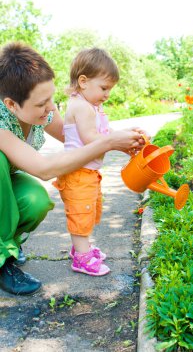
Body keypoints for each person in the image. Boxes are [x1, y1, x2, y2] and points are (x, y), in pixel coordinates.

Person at [0, 42, 144, 295]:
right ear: (12, 105)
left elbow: (75, 139)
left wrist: (122, 140)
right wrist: (109, 141)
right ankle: (2, 259)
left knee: (36, 201)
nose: (51, 108)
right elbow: (44, 169)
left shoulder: (42, 107)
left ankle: (10, 241)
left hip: (6, 182)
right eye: (42, 104)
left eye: (51, 99)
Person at [53, 48, 137, 276]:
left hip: (86, 172)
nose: (108, 94)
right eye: (104, 88)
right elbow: (91, 139)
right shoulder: (81, 107)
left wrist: (126, 134)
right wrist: (116, 141)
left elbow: (105, 131)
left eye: (110, 89)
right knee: (81, 213)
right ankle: (81, 257)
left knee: (88, 211)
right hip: (78, 173)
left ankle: (81, 248)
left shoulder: (90, 106)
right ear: (83, 81)